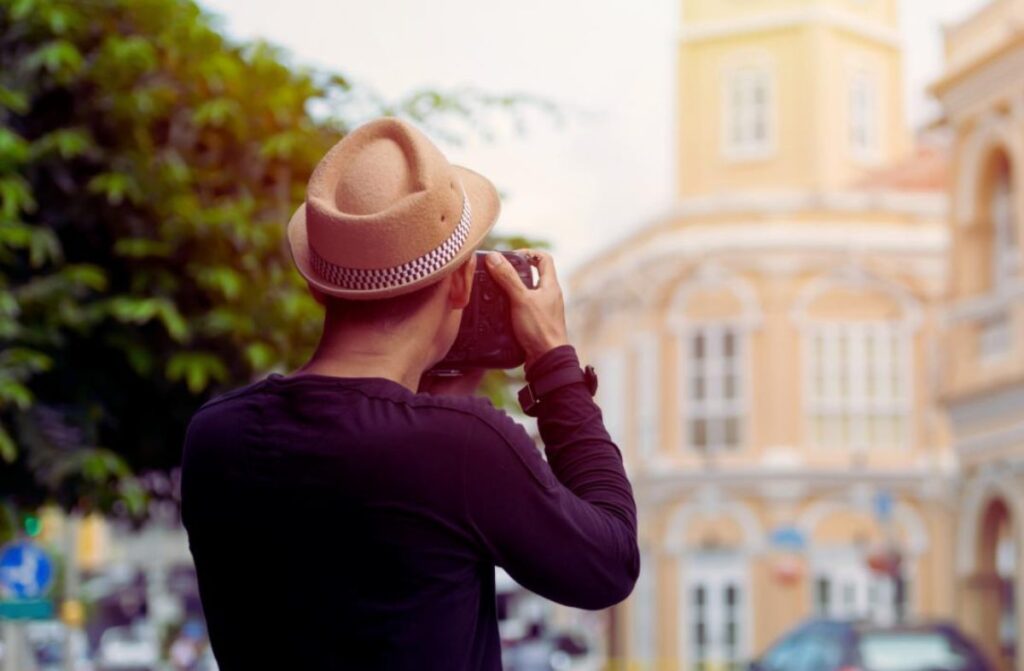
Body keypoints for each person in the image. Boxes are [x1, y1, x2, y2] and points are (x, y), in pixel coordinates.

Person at [180, 117, 638, 670]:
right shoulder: (463, 446)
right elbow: (609, 564)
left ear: (318, 288)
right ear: (462, 283)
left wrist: (436, 395)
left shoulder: (215, 435)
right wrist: (554, 363)